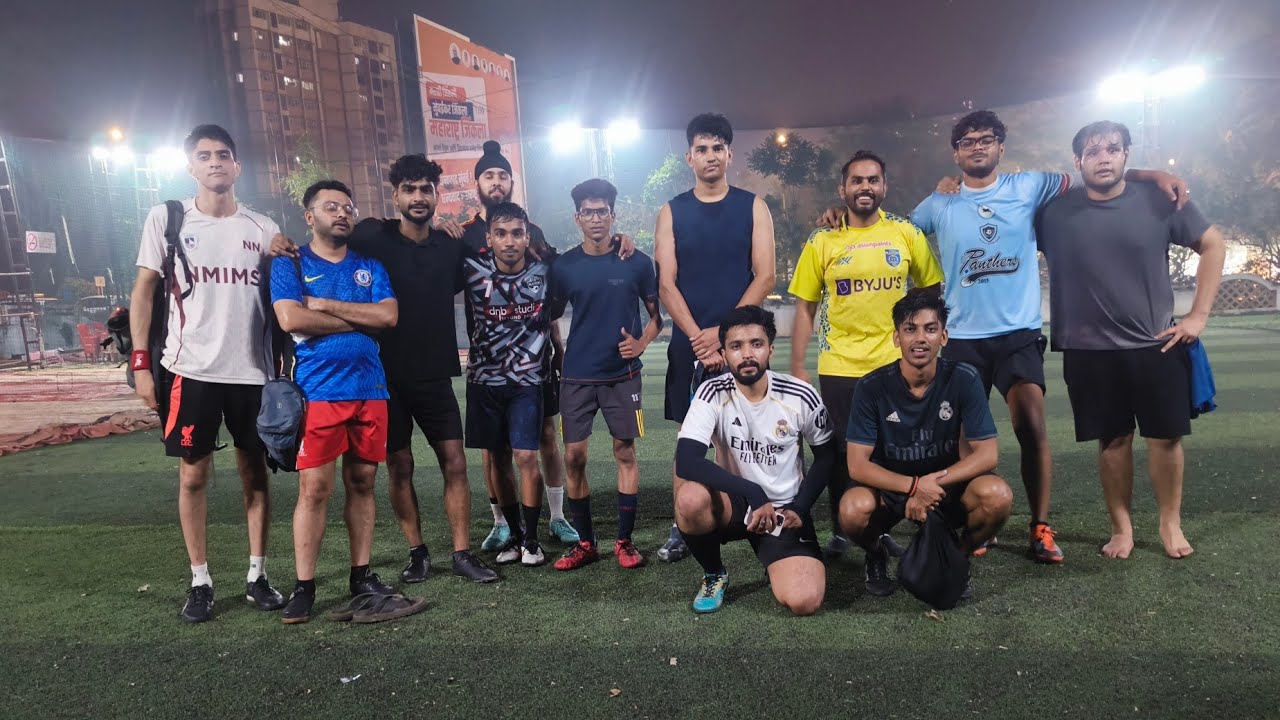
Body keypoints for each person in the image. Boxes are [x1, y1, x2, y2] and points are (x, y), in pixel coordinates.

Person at [819, 109, 1188, 564]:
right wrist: (840, 212)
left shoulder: (1030, 186)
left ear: (1000, 147)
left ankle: (1039, 526)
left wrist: (1149, 174)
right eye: (968, 141)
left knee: (1030, 425)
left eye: (986, 139)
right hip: (963, 339)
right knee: (959, 437)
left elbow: (1095, 171)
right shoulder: (939, 204)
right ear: (956, 152)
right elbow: (886, 226)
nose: (978, 146)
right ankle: (966, 518)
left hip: (1017, 333)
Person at [129, 123, 295, 623]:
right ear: (191, 166)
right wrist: (140, 362)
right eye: (204, 155)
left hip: (253, 373)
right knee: (194, 474)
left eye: (224, 154)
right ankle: (200, 579)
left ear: (238, 165)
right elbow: (142, 292)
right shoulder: (168, 218)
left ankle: (257, 574)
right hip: (189, 368)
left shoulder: (263, 228)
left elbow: (282, 297)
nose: (215, 162)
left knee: (255, 475)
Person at [1037, 121, 1225, 560]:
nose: (1104, 157)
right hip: (1087, 349)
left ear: (1126, 155)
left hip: (1155, 342)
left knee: (1165, 439)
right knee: (1113, 441)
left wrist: (1198, 316)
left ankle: (1169, 523)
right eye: (1093, 150)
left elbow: (1213, 245)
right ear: (1078, 161)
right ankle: (1121, 528)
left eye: (1113, 149)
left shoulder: (1160, 201)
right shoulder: (1053, 210)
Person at [270, 180, 426, 624]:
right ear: (310, 216)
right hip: (318, 393)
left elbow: (389, 316)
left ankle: (361, 575)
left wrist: (324, 307)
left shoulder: (369, 265)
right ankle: (305, 586)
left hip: (370, 391)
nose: (342, 212)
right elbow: (290, 317)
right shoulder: (291, 262)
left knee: (362, 485)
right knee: (314, 489)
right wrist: (359, 322)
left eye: (348, 206)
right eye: (331, 206)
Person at [346, 154, 497, 584]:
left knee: (455, 462)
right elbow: (327, 241)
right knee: (400, 467)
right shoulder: (372, 237)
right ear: (395, 194)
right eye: (409, 189)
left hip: (434, 373)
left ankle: (463, 553)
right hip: (383, 376)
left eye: (425, 189)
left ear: (437, 195)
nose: (418, 197)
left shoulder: (452, 245)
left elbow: (506, 258)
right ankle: (418, 551)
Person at [787, 150, 944, 561]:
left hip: (893, 364)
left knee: (889, 448)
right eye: (857, 181)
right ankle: (843, 528)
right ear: (843, 189)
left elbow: (929, 291)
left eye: (873, 180)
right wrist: (799, 365)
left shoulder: (905, 234)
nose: (865, 187)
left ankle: (880, 527)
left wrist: (918, 340)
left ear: (884, 186)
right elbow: (804, 306)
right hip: (840, 364)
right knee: (841, 450)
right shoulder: (823, 239)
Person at [655, 112, 777, 562]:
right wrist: (697, 338)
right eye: (701, 149)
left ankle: (747, 509)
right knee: (690, 439)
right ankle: (681, 523)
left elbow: (764, 276)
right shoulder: (671, 211)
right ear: (689, 157)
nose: (710, 156)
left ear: (730, 154)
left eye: (717, 148)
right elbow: (666, 284)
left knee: (743, 433)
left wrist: (723, 336)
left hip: (741, 343)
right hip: (689, 343)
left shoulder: (753, 205)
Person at [840, 291, 1013, 600]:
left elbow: (988, 454)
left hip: (948, 489)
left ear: (944, 336)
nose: (920, 338)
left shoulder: (964, 378)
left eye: (930, 329)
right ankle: (877, 552)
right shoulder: (871, 387)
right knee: (853, 509)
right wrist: (913, 487)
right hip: (893, 491)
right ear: (896, 337)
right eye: (910, 329)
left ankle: (956, 557)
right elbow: (857, 464)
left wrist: (931, 485)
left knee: (997, 496)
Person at [674, 305, 835, 614]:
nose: (746, 354)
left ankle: (777, 555)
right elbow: (687, 461)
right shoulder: (712, 391)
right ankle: (714, 573)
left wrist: (800, 507)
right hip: (735, 503)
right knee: (690, 499)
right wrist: (752, 492)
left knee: (805, 600)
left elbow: (827, 456)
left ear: (770, 349)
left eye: (756, 344)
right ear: (724, 352)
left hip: (783, 509)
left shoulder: (799, 394)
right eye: (736, 346)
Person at [461, 141, 579, 549]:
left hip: (533, 363)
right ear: (477, 182)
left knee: (545, 434)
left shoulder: (536, 234)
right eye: (489, 175)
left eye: (502, 175)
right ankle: (501, 521)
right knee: (492, 448)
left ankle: (558, 516)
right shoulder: (461, 237)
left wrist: (558, 349)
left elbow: (553, 292)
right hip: (487, 365)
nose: (496, 182)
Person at [547, 179, 662, 571]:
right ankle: (585, 543)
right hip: (577, 376)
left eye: (602, 211)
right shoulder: (563, 266)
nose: (596, 218)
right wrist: (560, 354)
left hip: (623, 374)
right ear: (578, 217)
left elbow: (657, 318)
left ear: (613, 215)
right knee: (574, 456)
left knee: (624, 452)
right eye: (588, 212)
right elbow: (551, 317)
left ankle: (625, 541)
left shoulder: (638, 261)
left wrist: (642, 343)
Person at [461, 201, 556, 566]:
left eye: (517, 233)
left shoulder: (547, 271)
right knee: (498, 459)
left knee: (526, 456)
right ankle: (514, 537)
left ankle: (532, 540)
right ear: (489, 238)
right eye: (501, 233)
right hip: (484, 380)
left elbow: (587, 258)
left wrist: (622, 241)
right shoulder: (471, 271)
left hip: (528, 379)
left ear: (527, 236)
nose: (510, 241)